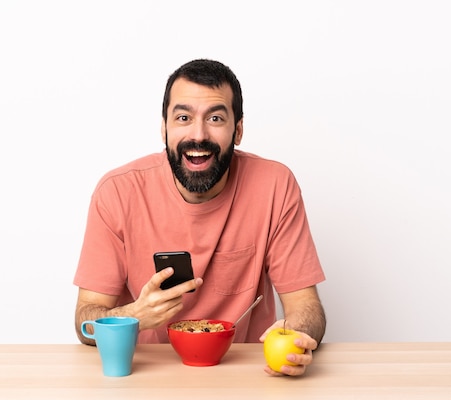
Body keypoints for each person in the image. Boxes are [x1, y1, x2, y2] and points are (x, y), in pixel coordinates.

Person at [73, 59, 326, 377]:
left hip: (245, 375)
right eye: (183, 117)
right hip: (145, 375)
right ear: (164, 128)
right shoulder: (117, 192)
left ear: (238, 130)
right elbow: (85, 323)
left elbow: (308, 309)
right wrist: (134, 315)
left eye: (216, 118)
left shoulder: (275, 185)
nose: (198, 134)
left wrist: (295, 336)